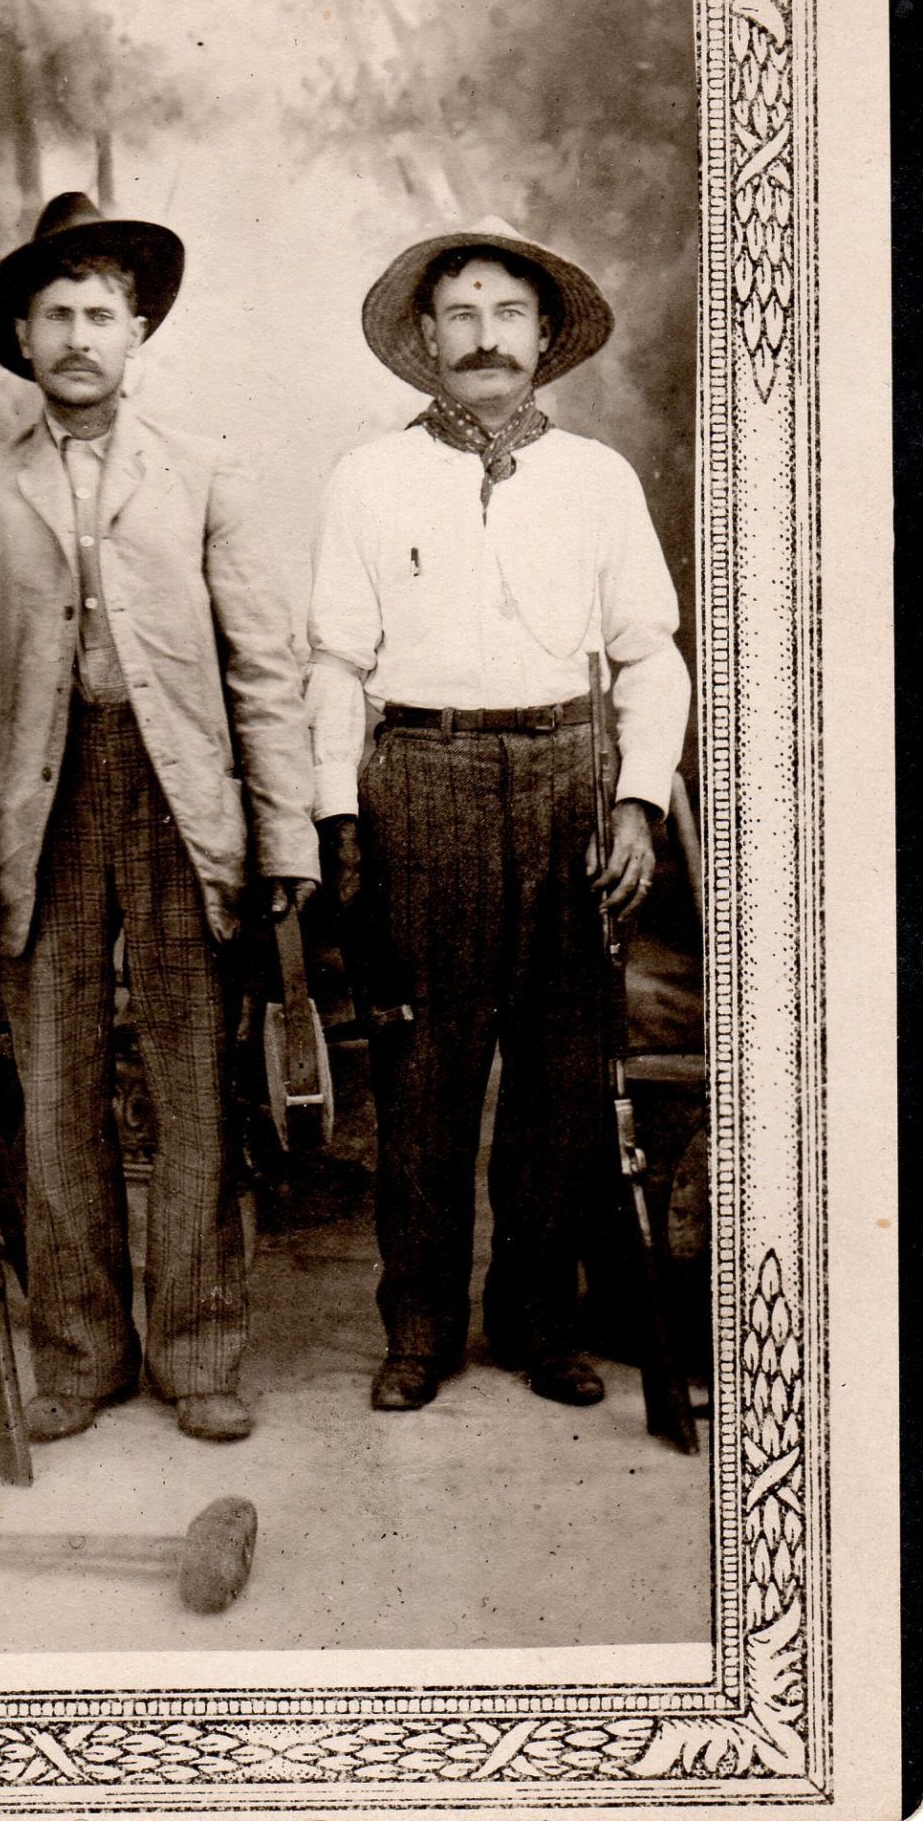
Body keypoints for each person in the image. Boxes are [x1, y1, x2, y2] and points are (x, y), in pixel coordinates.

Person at [0, 192, 318, 1444]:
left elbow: (262, 667)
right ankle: (79, 1353)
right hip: (38, 805)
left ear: (138, 333)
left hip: (182, 797)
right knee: (57, 1077)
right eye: (55, 315)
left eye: (100, 312)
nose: (78, 334)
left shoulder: (203, 471)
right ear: (21, 340)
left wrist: (282, 832)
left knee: (194, 1074)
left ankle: (199, 1350)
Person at [306, 215, 690, 1413]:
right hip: (422, 775)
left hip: (568, 776)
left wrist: (631, 801)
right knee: (422, 1076)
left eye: (505, 314)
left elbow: (651, 659)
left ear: (541, 337)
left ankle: (536, 1321)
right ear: (425, 338)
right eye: (459, 315)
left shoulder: (596, 480)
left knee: (563, 1072)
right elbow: (329, 664)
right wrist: (338, 817)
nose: (483, 338)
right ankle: (416, 1329)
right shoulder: (366, 479)